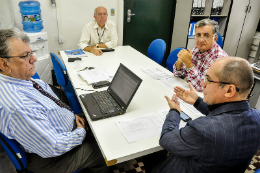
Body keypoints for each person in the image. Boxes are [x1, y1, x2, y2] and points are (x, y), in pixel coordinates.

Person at [0, 29, 109, 173]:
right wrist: (81, 132)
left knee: (101, 120)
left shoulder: (18, 77)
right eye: (25, 56)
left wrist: (70, 115)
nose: (34, 59)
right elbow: (53, 146)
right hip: (52, 158)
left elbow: (49, 98)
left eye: (31, 52)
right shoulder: (18, 106)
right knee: (105, 153)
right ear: (4, 64)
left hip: (60, 131)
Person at [145, 57, 260, 173]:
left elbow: (166, 140)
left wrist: (174, 111)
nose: (202, 83)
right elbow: (228, 116)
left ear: (229, 90)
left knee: (150, 155)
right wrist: (197, 101)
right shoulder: (258, 118)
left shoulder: (203, 130)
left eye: (208, 80)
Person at [173, 18, 228, 92]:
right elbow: (179, 74)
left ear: (215, 38)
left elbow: (201, 86)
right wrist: (180, 60)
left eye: (206, 35)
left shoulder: (219, 59)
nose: (201, 40)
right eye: (198, 35)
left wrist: (188, 63)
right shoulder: (196, 50)